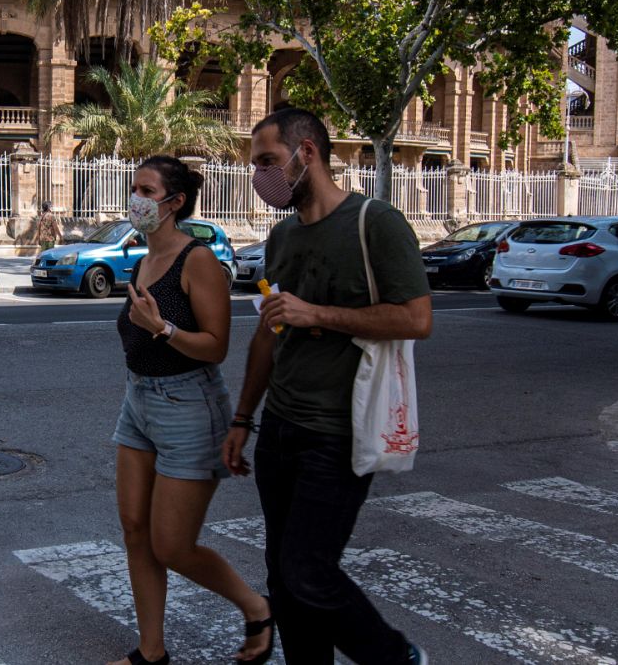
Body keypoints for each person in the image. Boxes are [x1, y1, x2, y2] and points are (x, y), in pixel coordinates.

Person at [222, 109, 432, 665]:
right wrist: (244, 418)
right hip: (281, 431)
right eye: (255, 165)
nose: (260, 175)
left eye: (268, 161)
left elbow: (415, 319)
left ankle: (394, 656)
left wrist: (318, 313)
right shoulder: (282, 236)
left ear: (306, 153)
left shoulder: (375, 222)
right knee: (284, 577)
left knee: (308, 573)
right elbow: (269, 335)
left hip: (338, 432)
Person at [111, 156, 274, 665]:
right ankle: (151, 652)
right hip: (139, 401)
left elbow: (216, 346)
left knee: (172, 546)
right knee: (134, 528)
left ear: (174, 203)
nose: (135, 198)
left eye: (146, 190)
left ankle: (257, 609)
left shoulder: (198, 259)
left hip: (188, 404)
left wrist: (162, 328)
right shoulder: (141, 259)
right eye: (133, 187)